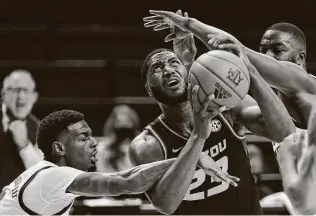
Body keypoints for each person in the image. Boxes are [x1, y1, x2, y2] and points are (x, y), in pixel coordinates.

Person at [128, 14, 295, 214]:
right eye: (157, 68)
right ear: (148, 89)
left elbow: (283, 132)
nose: (168, 70)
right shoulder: (148, 144)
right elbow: (165, 204)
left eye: (174, 63)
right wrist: (198, 136)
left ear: (187, 71)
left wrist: (250, 70)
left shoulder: (226, 107)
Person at [0, 109, 235, 215]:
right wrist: (192, 158)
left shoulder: (45, 178)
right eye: (84, 138)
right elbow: (128, 181)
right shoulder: (52, 176)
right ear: (60, 148)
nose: (94, 143)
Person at [0, 69, 43, 190]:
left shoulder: (39, 128)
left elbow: (43, 176)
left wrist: (24, 145)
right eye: (15, 90)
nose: (21, 96)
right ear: (3, 95)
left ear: (35, 97)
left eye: (26, 90)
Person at [97, 105, 140, 173]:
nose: (124, 125)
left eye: (128, 121)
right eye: (118, 122)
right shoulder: (103, 148)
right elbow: (102, 170)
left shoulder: (140, 147)